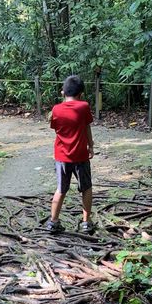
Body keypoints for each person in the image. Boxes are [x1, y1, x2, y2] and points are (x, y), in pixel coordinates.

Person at [45, 74, 95, 234]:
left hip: (62, 156)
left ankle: (53, 222)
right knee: (86, 188)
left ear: (62, 93)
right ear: (81, 94)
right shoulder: (83, 107)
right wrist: (91, 146)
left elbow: (55, 127)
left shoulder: (56, 109)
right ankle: (86, 222)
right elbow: (87, 127)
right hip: (80, 155)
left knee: (61, 189)